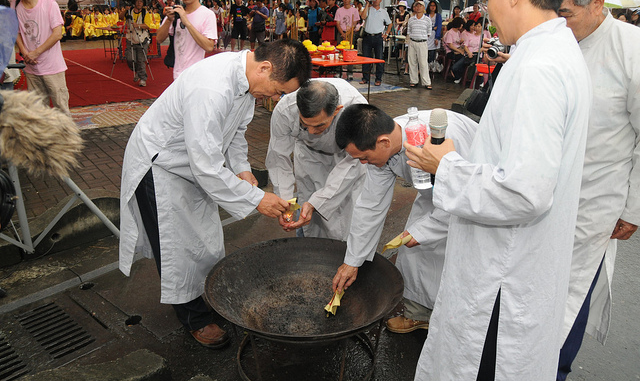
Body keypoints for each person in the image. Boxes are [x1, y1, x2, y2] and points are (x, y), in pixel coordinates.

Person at [402, 0, 592, 381]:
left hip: (502, 281)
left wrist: (445, 165)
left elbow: (526, 192)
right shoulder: (549, 51)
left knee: (482, 374)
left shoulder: (537, 68)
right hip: (516, 264)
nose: (486, 12)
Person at [119, 39, 312, 349]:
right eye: (278, 90)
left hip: (191, 165)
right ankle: (193, 319)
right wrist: (257, 199)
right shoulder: (212, 88)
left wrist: (242, 169)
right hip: (162, 167)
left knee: (204, 239)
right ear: (265, 68)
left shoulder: (248, 84)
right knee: (177, 248)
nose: (275, 98)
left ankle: (205, 297)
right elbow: (206, 166)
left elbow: (235, 134)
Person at [555, 0, 640, 381]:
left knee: (572, 289)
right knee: (535, 284)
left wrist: (633, 208)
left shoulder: (631, 50)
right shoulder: (553, 43)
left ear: (598, 3)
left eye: (566, 13)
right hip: (545, 191)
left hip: (597, 197)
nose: (559, 22)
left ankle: (555, 375)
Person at [331, 105, 477, 334]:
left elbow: (467, 195)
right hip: (433, 196)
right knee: (414, 253)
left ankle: (458, 324)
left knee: (461, 260)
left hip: (473, 199)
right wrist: (352, 260)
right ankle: (419, 315)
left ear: (383, 143)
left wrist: (426, 231)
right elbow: (370, 205)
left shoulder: (443, 136)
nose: (363, 163)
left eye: (364, 158)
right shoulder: (383, 148)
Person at [266, 78, 367, 239]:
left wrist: (319, 201)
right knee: (308, 210)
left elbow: (354, 162)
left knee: (347, 210)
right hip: (309, 154)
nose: (311, 132)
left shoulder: (357, 110)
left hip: (347, 158)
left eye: (319, 125)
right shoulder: (285, 110)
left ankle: (347, 254)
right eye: (305, 125)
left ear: (336, 111)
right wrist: (286, 203)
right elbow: (278, 158)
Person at [2, 0, 70, 115]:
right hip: (31, 68)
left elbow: (57, 34)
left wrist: (35, 53)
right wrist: (25, 52)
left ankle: (66, 137)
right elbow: (16, 31)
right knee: (38, 110)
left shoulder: (49, 5)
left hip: (52, 67)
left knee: (61, 108)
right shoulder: (15, 4)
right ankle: (44, 138)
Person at [157, 0, 217, 81]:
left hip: (196, 76)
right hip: (177, 75)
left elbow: (209, 47)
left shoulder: (207, 14)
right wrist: (168, 20)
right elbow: (159, 39)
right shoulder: (176, 12)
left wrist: (187, 22)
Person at [118, 0, 154, 87]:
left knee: (141, 60)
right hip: (130, 38)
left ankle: (143, 78)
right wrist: (126, 9)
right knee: (130, 58)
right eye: (137, 1)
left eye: (141, 2)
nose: (139, 3)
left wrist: (137, 25)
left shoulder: (145, 12)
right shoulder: (130, 11)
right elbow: (120, 17)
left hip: (142, 38)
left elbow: (147, 25)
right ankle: (138, 71)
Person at [359, 0, 392, 86]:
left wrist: (386, 34)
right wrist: (367, 4)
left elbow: (389, 23)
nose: (376, 0)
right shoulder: (368, 9)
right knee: (365, 58)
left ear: (381, 0)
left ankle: (378, 79)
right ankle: (365, 78)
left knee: (379, 59)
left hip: (378, 37)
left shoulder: (383, 12)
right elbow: (363, 17)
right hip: (367, 36)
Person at [406, 0, 432, 89]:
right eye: (416, 6)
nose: (418, 7)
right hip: (412, 41)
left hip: (422, 42)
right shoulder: (411, 19)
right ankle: (413, 81)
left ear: (423, 8)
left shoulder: (427, 20)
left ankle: (426, 82)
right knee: (412, 62)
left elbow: (429, 32)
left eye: (420, 6)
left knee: (423, 63)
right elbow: (409, 31)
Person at [334, 0, 360, 80]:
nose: (345, 0)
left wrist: (347, 33)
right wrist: (342, 33)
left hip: (350, 33)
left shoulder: (354, 10)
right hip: (341, 32)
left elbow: (355, 22)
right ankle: (339, 71)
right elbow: (337, 23)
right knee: (339, 51)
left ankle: (350, 72)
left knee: (350, 52)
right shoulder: (339, 10)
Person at [442, 17, 466, 82]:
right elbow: (450, 45)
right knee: (463, 57)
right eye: (461, 24)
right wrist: (459, 51)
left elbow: (457, 42)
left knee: (465, 57)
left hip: (457, 49)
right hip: (450, 52)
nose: (462, 26)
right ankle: (454, 70)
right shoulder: (450, 33)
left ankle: (455, 71)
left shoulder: (458, 32)